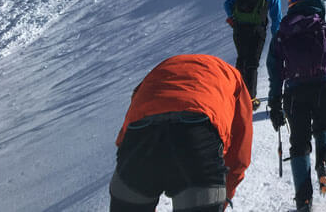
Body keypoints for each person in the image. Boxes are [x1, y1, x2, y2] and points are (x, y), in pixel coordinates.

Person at [108, 54, 252, 212]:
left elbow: (129, 126)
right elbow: (240, 153)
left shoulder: (158, 73)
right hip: (197, 140)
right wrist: (222, 196)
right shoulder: (233, 77)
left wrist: (128, 163)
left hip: (140, 138)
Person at [267, 0, 326, 212]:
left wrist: (275, 102)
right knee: (324, 125)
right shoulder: (325, 27)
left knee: (299, 142)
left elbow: (274, 69)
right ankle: (324, 164)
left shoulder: (283, 32)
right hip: (325, 84)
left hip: (295, 90)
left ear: (291, 5)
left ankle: (304, 199)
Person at [223, 0, 283, 105]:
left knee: (241, 59)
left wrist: (233, 17)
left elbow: (227, 4)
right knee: (252, 63)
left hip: (239, 29)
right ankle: (250, 98)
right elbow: (276, 18)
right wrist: (276, 37)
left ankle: (236, 94)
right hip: (257, 30)